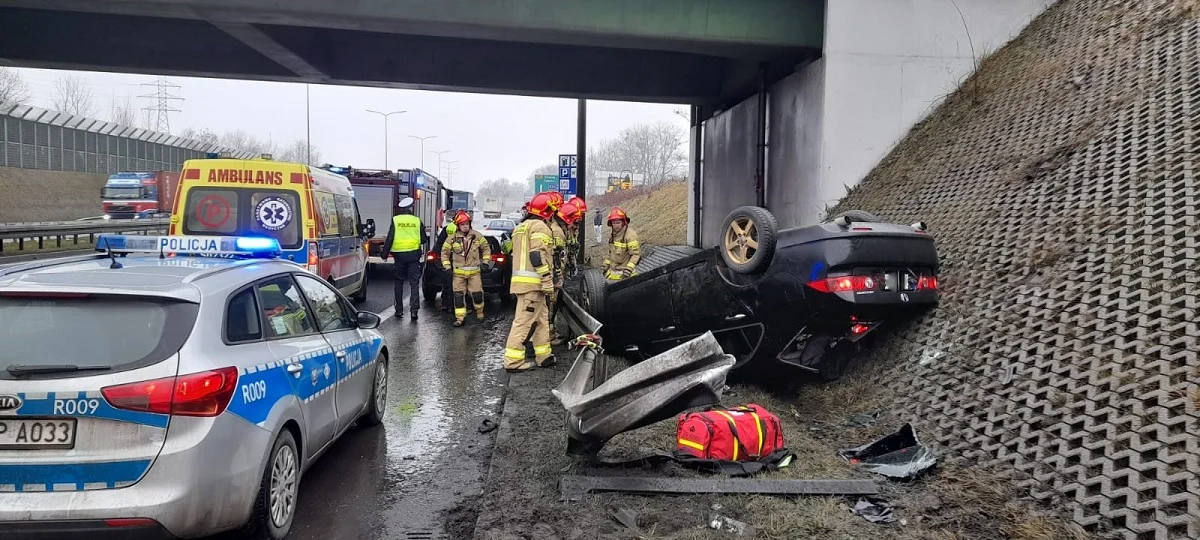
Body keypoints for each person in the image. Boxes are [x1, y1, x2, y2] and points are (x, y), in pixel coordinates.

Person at [503, 192, 557, 372]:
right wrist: (547, 279)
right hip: (534, 283)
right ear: (547, 211)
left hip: (524, 283)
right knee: (524, 322)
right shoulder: (540, 227)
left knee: (541, 319)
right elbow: (537, 255)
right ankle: (513, 361)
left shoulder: (522, 226)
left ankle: (544, 356)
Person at [441, 210, 492, 326]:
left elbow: (486, 249)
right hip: (458, 274)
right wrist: (447, 267)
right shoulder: (451, 238)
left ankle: (480, 314)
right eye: (462, 224)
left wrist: (485, 262)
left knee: (477, 295)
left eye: (467, 224)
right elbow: (444, 253)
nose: (465, 227)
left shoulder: (477, 236)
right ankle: (460, 318)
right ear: (458, 226)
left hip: (474, 273)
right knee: (458, 297)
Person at [382, 196, 428, 320]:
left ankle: (399, 310)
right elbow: (424, 239)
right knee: (414, 284)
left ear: (401, 209)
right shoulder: (417, 221)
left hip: (399, 257)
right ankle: (414, 311)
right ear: (411, 208)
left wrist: (384, 255)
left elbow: (390, 238)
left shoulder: (395, 220)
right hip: (413, 256)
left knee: (399, 282)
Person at [602, 206, 640, 281]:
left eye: (618, 222)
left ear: (623, 222)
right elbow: (611, 253)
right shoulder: (613, 235)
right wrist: (605, 266)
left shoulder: (630, 235)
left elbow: (635, 255)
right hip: (612, 274)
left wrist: (629, 269)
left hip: (626, 276)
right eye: (614, 223)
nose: (616, 225)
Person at [431, 221, 457, 312]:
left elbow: (439, 244)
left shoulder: (448, 228)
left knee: (447, 283)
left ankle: (446, 304)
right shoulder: (464, 228)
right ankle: (453, 305)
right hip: (458, 260)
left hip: (446, 259)